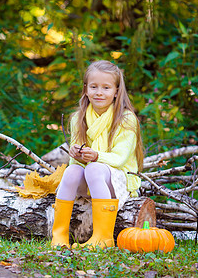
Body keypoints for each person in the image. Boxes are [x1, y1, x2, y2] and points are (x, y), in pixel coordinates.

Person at [51, 60, 144, 249]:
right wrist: (76, 153)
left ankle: (103, 237)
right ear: (86, 89)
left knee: (94, 168)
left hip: (118, 180)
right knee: (71, 172)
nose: (99, 92)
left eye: (106, 87)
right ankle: (59, 234)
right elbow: (75, 162)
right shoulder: (79, 118)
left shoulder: (126, 119)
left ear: (117, 91)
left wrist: (94, 157)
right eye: (94, 86)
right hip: (91, 179)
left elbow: (119, 159)